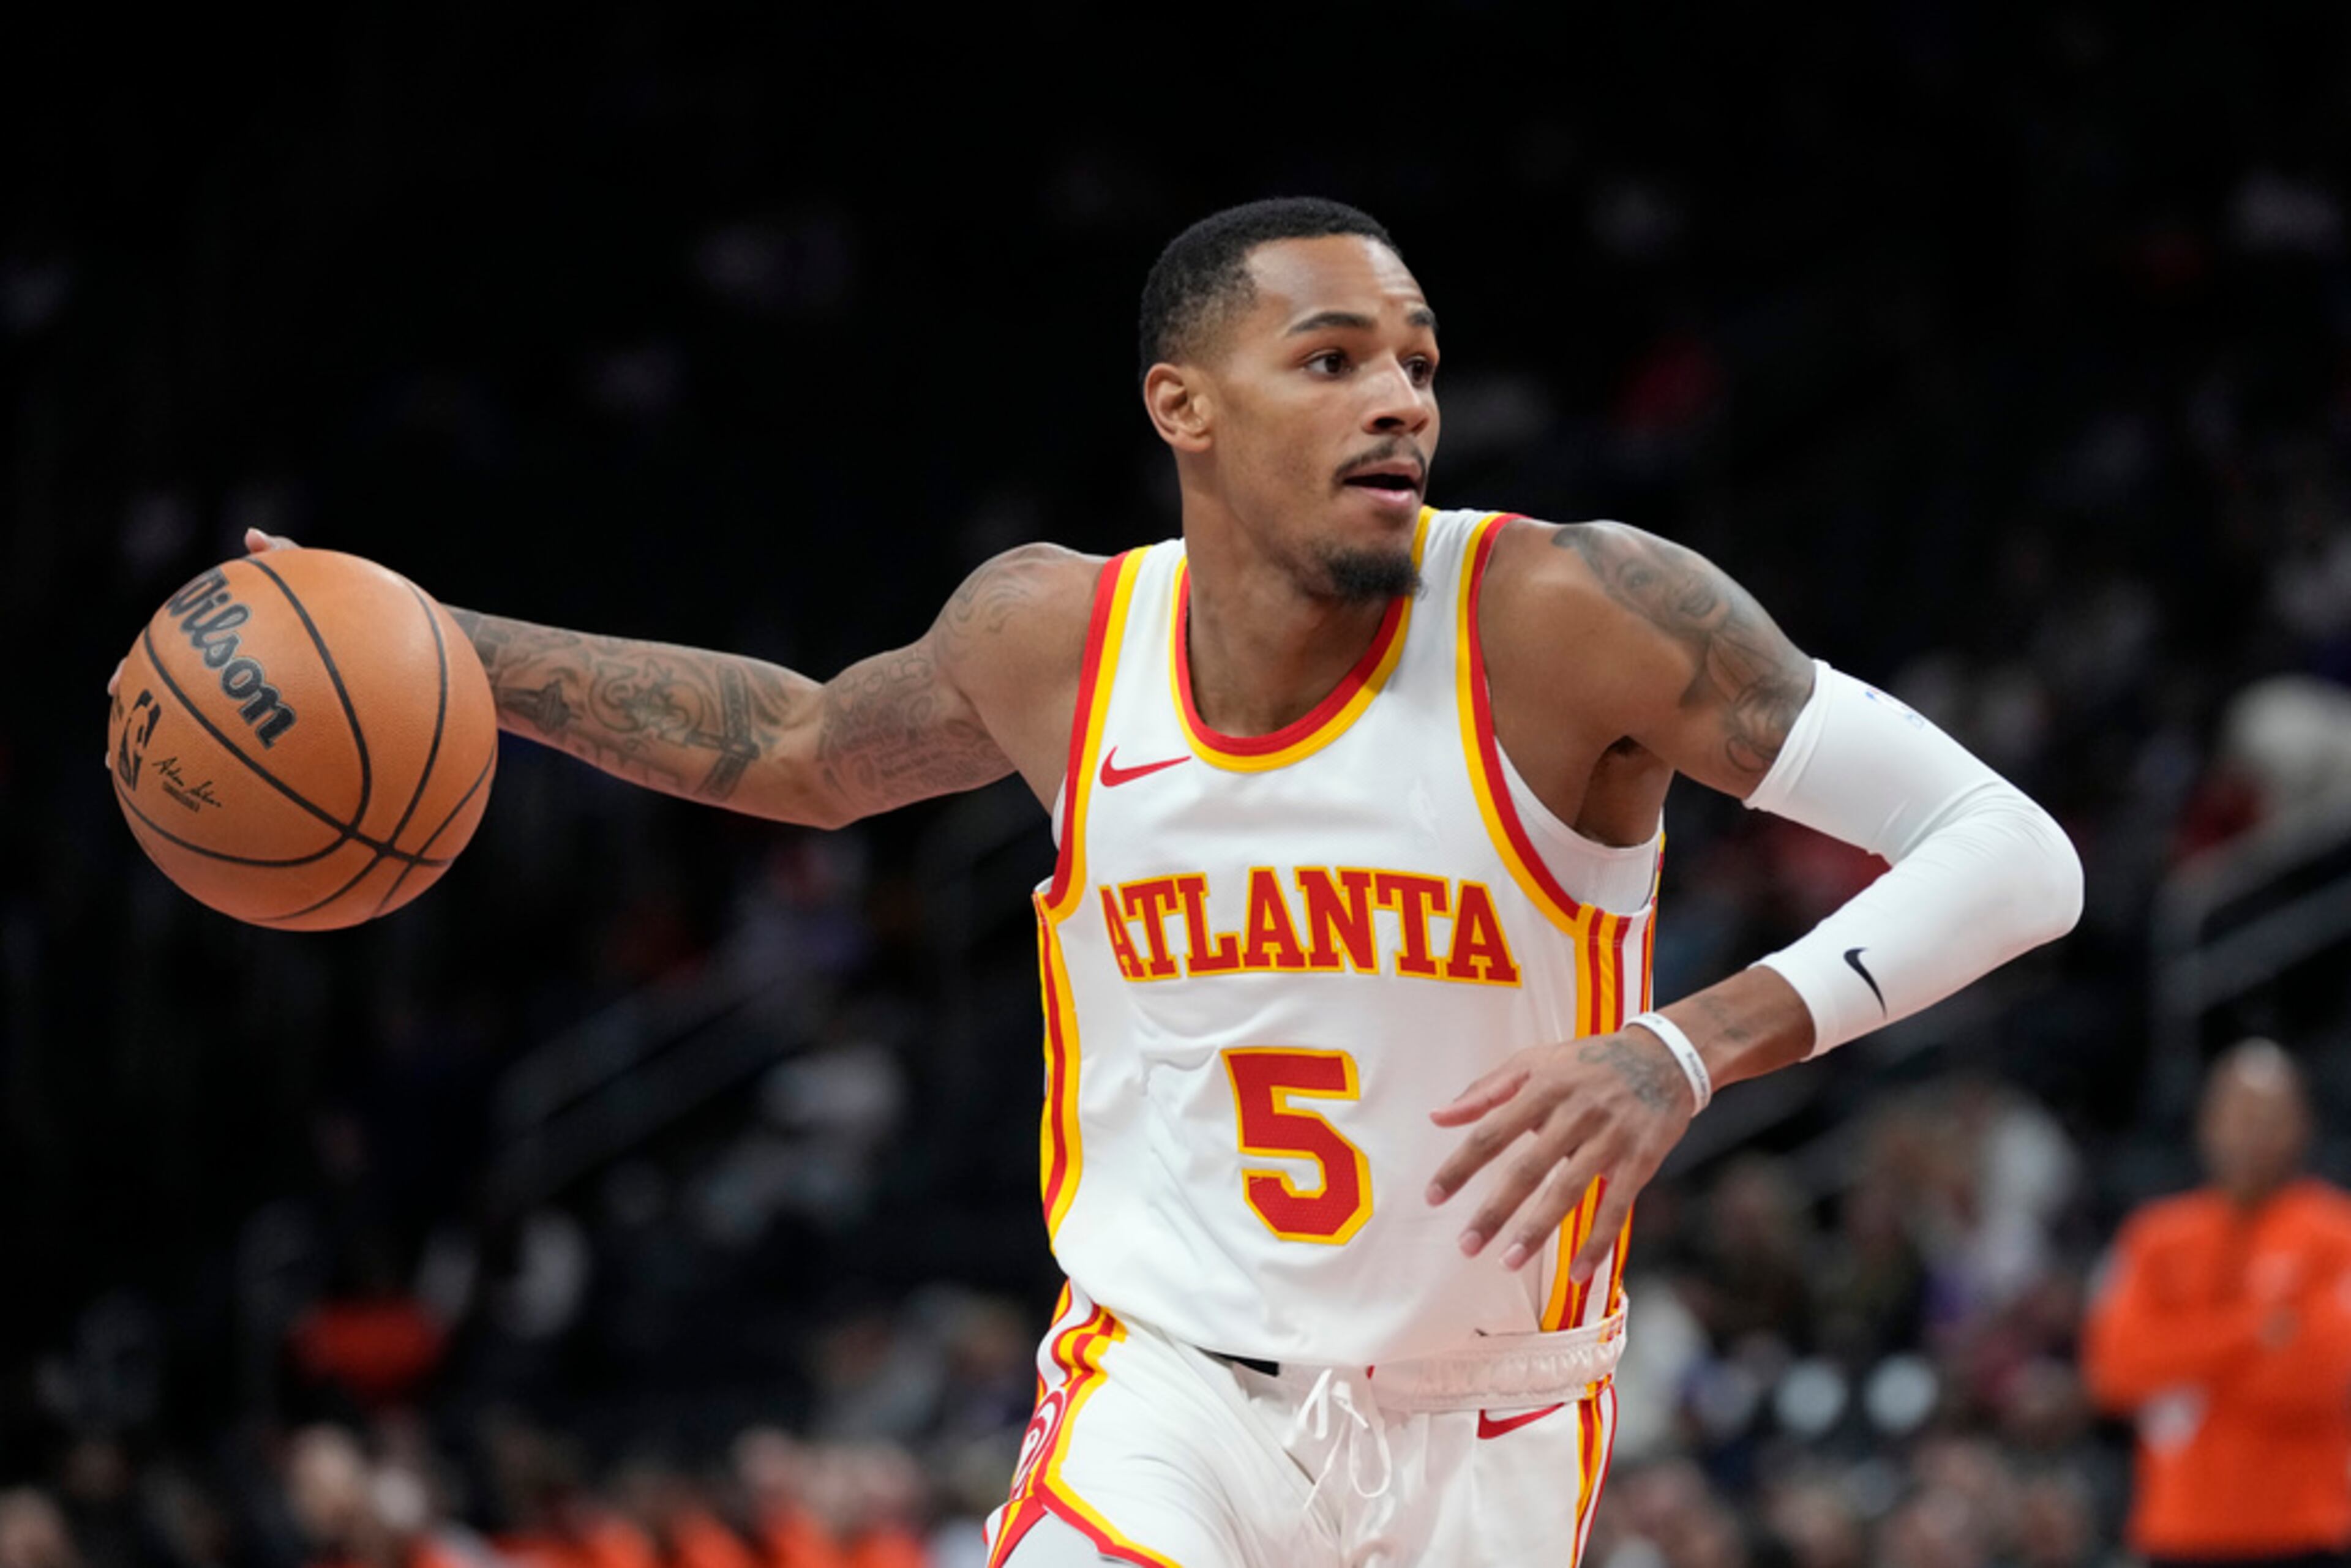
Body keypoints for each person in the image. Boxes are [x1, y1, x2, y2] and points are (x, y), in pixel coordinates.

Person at [189, 198, 2081, 1566]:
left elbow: (2014, 854)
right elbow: (790, 744)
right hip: (1163, 1383)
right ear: (1184, 407)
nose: (1398, 399)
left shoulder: (1566, 612)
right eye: (1328, 358)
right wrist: (439, 646)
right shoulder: (1054, 637)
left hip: (1491, 1420)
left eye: (1415, 359)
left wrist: (1681, 1049)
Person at [2083, 1039, 2351, 1567]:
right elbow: (2114, 1369)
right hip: (2178, 1531)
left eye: (2268, 1116)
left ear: (2301, 1124)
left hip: (2302, 1532)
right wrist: (2258, 1331)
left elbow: (2320, 1375)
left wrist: (2183, 1358)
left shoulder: (2337, 1234)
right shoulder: (2153, 1237)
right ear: (2207, 1122)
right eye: (2237, 1113)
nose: (2250, 1132)